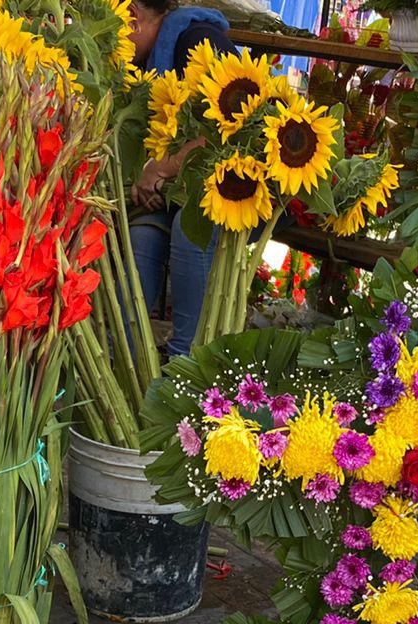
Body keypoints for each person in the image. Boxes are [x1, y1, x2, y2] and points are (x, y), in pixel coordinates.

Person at [126, 0, 235, 357]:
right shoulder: (142, 64)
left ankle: (183, 362)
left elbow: (225, 133)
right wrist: (150, 182)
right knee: (141, 237)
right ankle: (127, 358)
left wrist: (160, 171)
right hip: (178, 188)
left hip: (233, 185)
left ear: (134, 16)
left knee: (190, 231)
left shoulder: (197, 42)